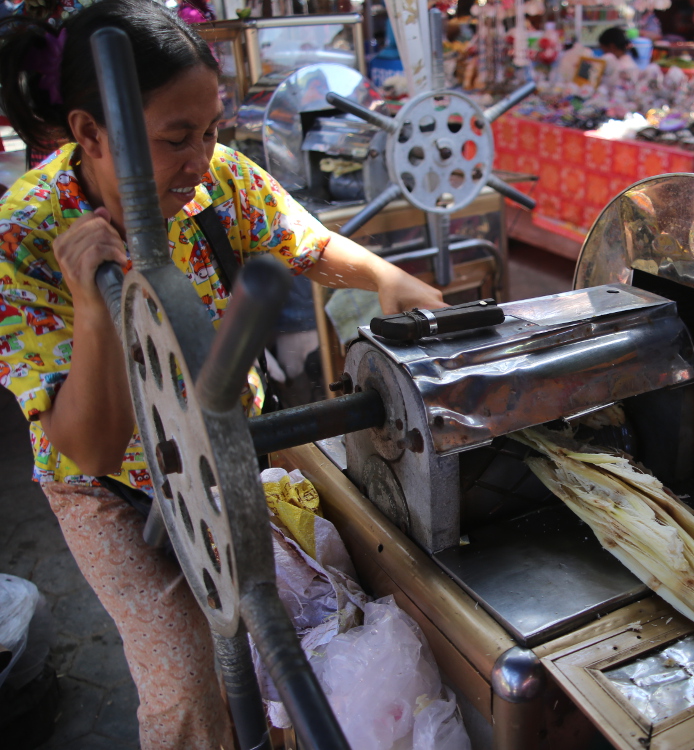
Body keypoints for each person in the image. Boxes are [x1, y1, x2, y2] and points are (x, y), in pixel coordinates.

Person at [0, 0, 443, 747]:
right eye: (177, 138)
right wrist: (94, 307)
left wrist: (383, 277)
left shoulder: (216, 181)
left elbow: (302, 243)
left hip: (225, 454)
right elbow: (91, 448)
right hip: (111, 493)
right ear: (89, 133)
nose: (203, 157)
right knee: (188, 691)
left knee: (284, 646)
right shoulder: (25, 235)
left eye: (211, 131)